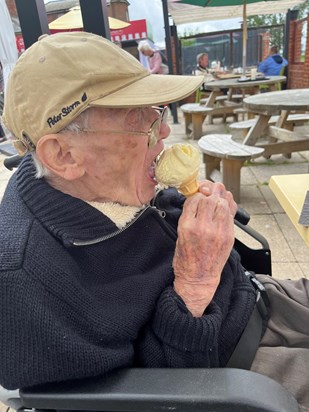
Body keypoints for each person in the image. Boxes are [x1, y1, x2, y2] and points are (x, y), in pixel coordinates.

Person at [0, 32, 308, 412]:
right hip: (236, 371)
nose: (162, 130)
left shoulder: (100, 183)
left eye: (155, 110)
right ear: (63, 154)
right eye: (139, 120)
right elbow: (145, 400)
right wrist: (195, 282)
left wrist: (196, 214)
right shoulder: (25, 282)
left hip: (257, 295)